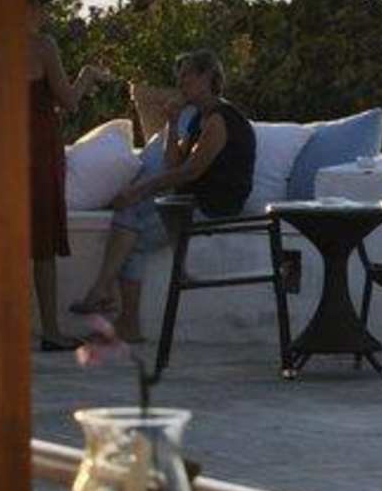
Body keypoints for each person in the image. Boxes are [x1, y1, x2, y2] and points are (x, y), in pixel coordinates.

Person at [70, 49, 256, 344]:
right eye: (179, 76)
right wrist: (172, 123)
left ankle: (114, 306)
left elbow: (190, 172)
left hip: (214, 207)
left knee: (132, 229)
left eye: (187, 75)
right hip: (190, 201)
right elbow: (173, 163)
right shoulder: (198, 119)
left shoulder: (221, 119)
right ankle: (111, 301)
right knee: (128, 216)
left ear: (208, 77)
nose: (180, 82)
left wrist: (140, 189)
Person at [28, 0, 109, 351]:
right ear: (30, 5)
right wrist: (88, 75)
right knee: (41, 246)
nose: (46, 15)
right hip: (37, 150)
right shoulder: (42, 46)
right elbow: (69, 100)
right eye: (43, 7)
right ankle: (50, 330)